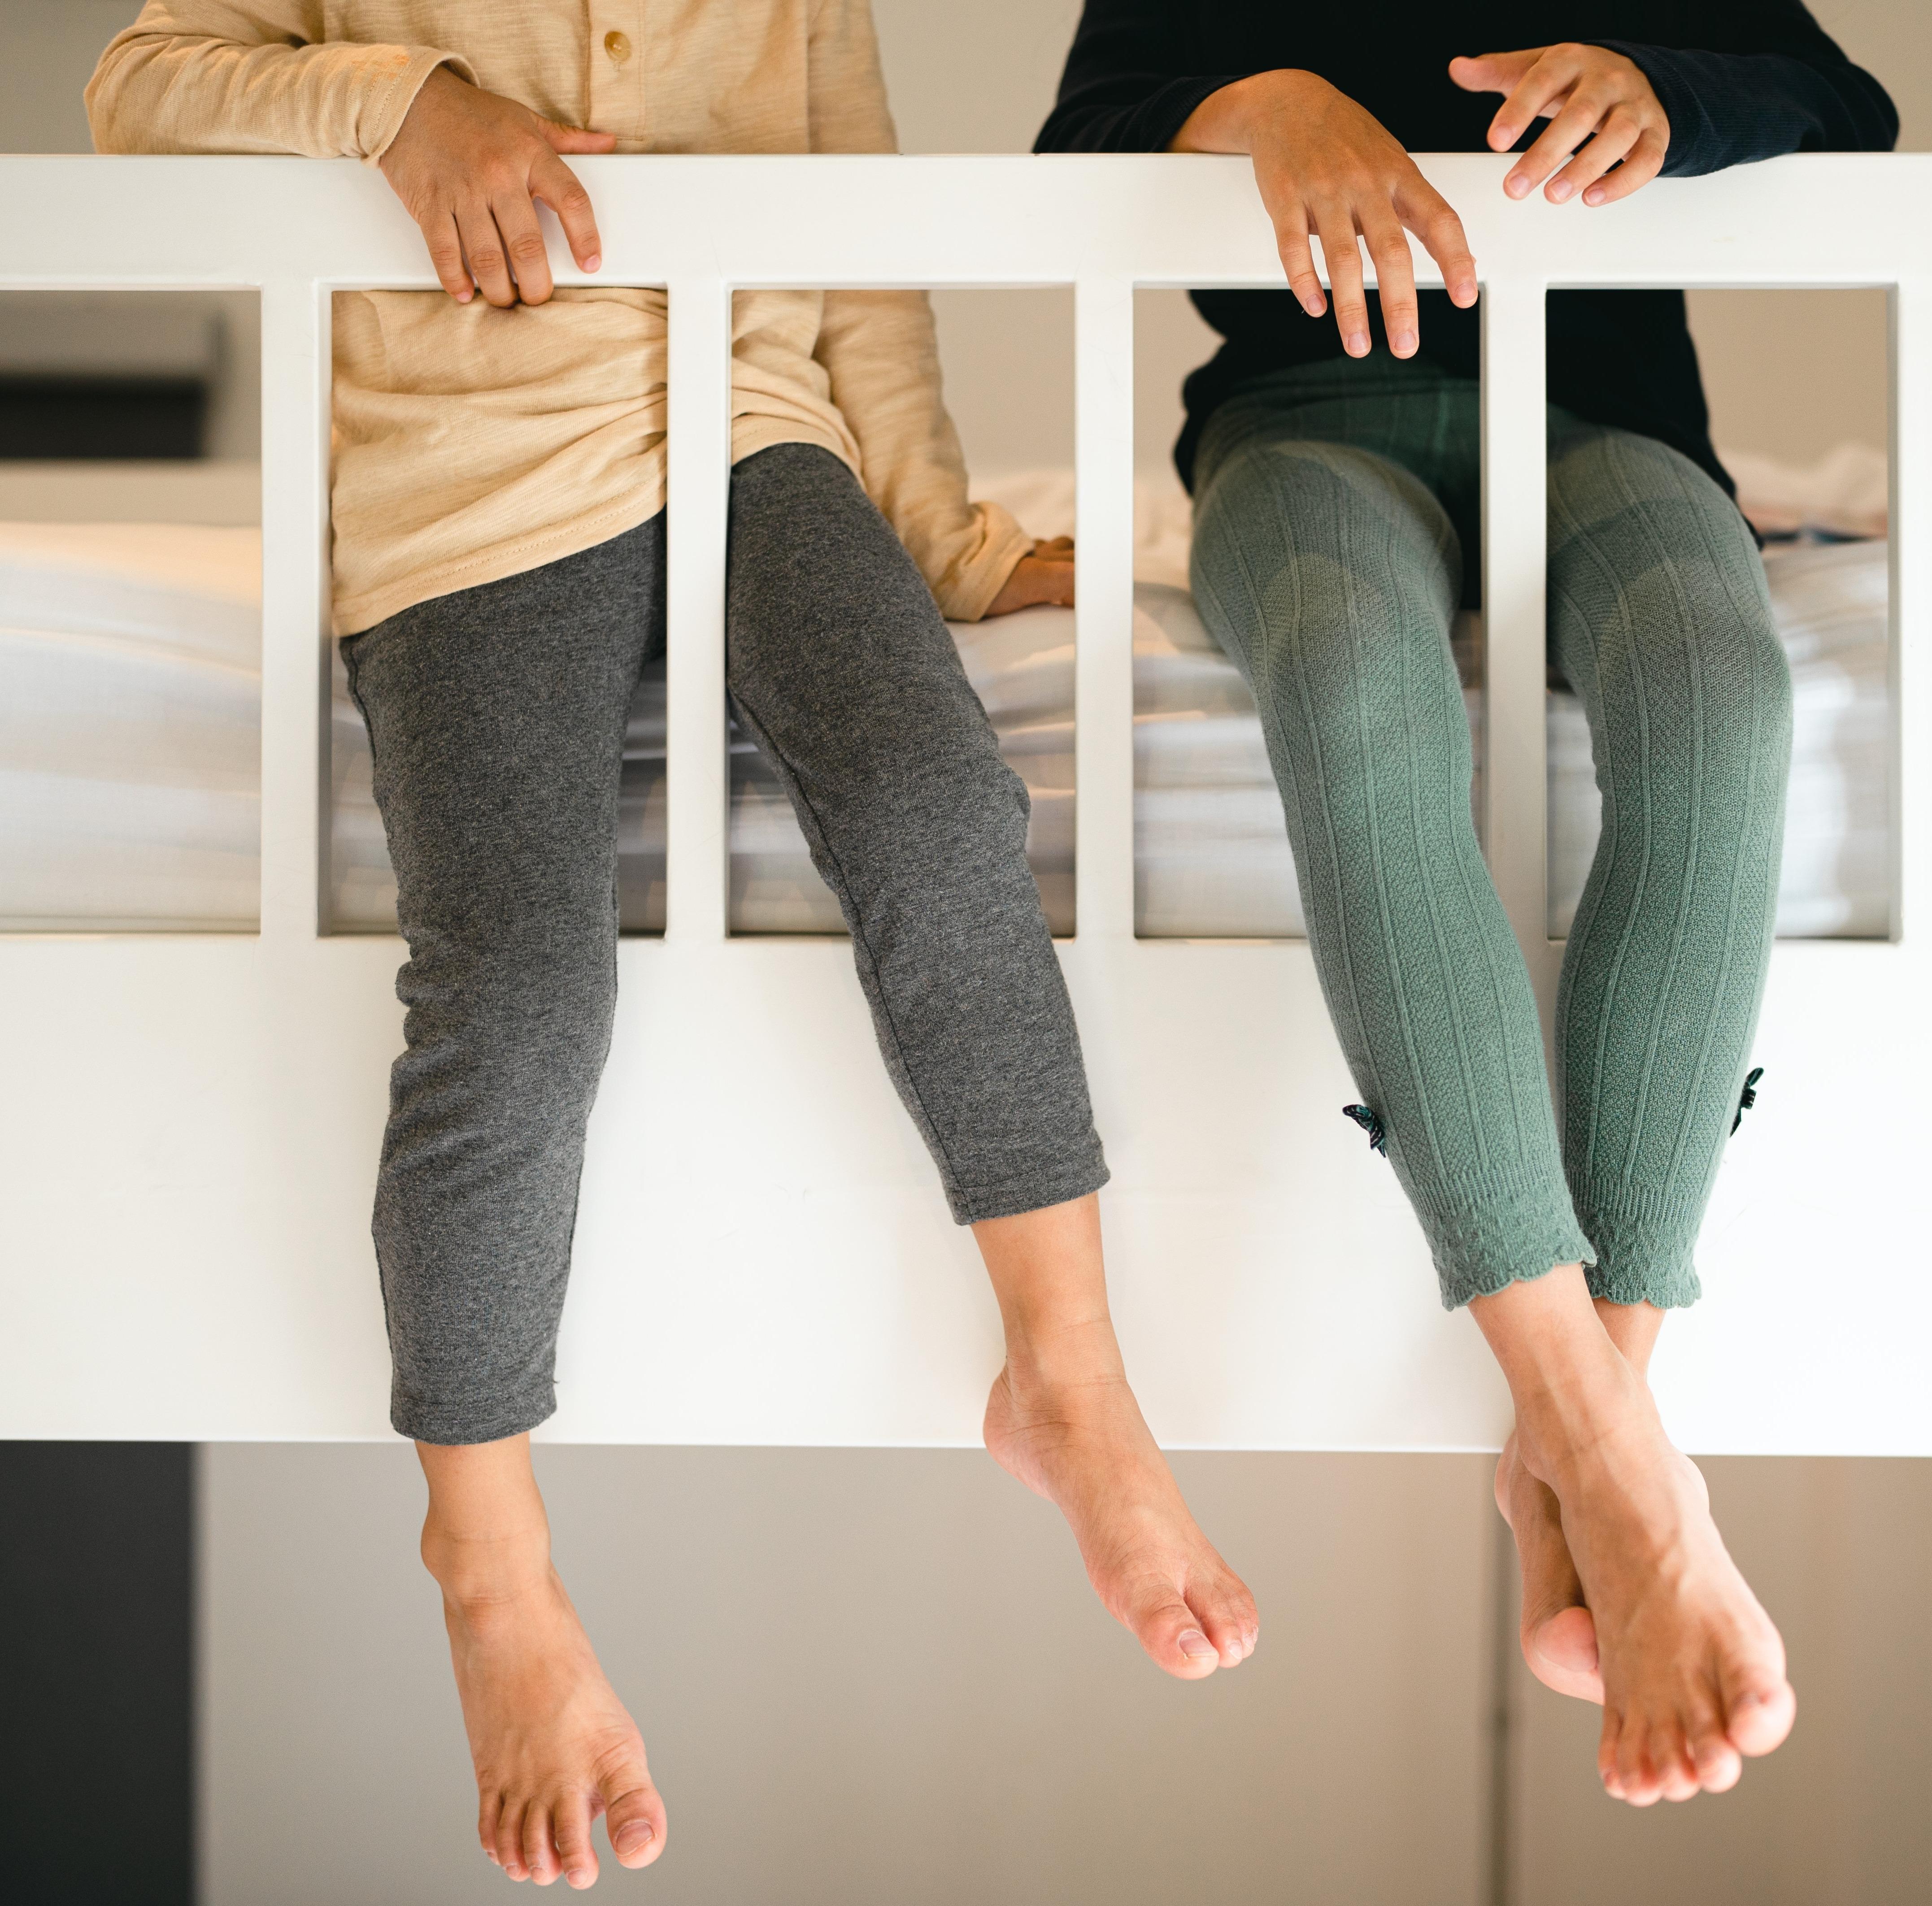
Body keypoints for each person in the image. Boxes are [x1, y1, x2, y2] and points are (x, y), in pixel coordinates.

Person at [88, 3, 1257, 1886]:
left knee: (937, 806)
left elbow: (859, 265)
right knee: (520, 986)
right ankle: (488, 1559)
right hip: (463, 481)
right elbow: (139, 90)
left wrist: (945, 540)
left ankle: (1068, 1377)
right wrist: (402, 105)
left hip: (755, 439)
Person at [1039, 1, 1895, 1806]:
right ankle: (1611, 1456)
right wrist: (1261, 105)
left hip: (1610, 429)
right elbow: (1079, 140)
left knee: (1716, 694)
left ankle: (1580, 1427)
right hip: (1295, 430)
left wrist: (1664, 88)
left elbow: (1842, 101)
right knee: (1350, 686)